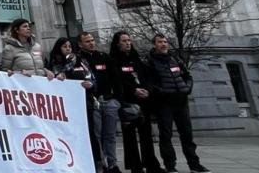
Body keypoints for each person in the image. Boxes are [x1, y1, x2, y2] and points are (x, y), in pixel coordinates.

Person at [146, 34, 208, 173]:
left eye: (165, 41)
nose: (163, 44)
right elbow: (150, 84)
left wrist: (187, 89)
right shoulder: (150, 62)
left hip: (181, 102)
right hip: (164, 104)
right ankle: (170, 166)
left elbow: (187, 76)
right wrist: (163, 92)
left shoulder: (175, 59)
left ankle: (194, 165)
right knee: (166, 136)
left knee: (187, 135)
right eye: (160, 42)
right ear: (154, 45)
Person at [110, 31, 163, 173]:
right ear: (117, 43)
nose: (128, 43)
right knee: (130, 136)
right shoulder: (114, 60)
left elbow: (146, 76)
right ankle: (135, 166)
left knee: (146, 134)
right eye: (124, 41)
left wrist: (147, 90)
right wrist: (133, 90)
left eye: (129, 40)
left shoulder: (136, 58)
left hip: (143, 100)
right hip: (128, 102)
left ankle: (151, 164)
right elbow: (118, 80)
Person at [78, 32, 123, 173]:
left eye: (92, 40)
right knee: (96, 135)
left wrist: (117, 99)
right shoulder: (77, 60)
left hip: (109, 100)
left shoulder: (103, 57)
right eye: (87, 41)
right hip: (92, 101)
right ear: (80, 44)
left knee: (110, 135)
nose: (91, 43)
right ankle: (101, 163)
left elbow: (116, 79)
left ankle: (112, 164)